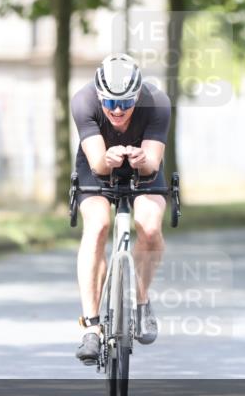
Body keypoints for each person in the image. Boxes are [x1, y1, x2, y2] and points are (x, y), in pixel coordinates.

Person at [71, 53, 171, 363]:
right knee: (98, 225)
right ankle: (91, 326)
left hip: (144, 169)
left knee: (151, 226)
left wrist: (141, 160)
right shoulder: (84, 101)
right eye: (110, 103)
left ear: (138, 95)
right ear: (99, 95)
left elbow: (153, 161)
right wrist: (108, 159)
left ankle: (141, 303)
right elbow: (98, 163)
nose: (117, 111)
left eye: (126, 104)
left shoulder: (157, 103)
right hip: (96, 166)